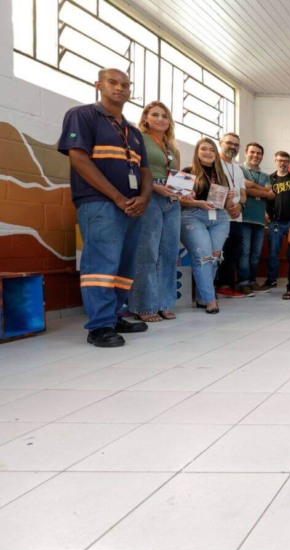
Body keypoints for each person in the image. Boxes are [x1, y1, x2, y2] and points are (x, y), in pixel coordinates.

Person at [58, 68, 151, 347]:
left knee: (124, 266)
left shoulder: (133, 131)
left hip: (133, 207)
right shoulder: (82, 115)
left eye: (125, 84)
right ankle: (99, 326)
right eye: (113, 82)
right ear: (98, 84)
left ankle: (113, 314)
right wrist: (118, 198)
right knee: (100, 266)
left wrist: (144, 198)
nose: (120, 88)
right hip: (100, 204)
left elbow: (144, 169)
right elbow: (79, 159)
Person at [130, 100, 181, 323]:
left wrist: (182, 192)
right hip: (150, 195)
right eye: (155, 115)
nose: (160, 119)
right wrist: (152, 186)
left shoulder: (171, 148)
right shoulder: (138, 139)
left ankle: (164, 303)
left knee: (169, 253)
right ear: (146, 118)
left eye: (165, 116)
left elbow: (176, 176)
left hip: (172, 200)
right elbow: (132, 167)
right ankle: (144, 305)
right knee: (147, 252)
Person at [179, 138, 236, 314]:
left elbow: (228, 207)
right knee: (203, 258)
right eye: (204, 149)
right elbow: (177, 200)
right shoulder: (187, 172)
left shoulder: (221, 175)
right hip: (194, 217)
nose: (208, 152)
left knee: (214, 259)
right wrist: (196, 202)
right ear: (197, 152)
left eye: (211, 149)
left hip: (219, 219)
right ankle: (211, 300)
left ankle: (202, 297)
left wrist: (229, 198)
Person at [263, 151, 290, 289]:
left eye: (286, 160)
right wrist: (264, 213)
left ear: (289, 162)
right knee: (274, 251)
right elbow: (263, 199)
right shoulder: (269, 180)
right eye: (280, 160)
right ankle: (272, 279)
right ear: (275, 161)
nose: (283, 163)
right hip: (275, 222)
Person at [214, 133, 249, 298]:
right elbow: (213, 187)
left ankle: (226, 285)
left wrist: (240, 206)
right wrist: (227, 206)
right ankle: (215, 286)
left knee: (234, 252)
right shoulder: (215, 164)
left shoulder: (238, 169)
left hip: (237, 216)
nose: (233, 147)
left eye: (236, 144)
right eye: (229, 143)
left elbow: (243, 193)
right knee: (217, 251)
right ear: (221, 143)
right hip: (220, 214)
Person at [240, 143, 275, 293]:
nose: (256, 155)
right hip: (244, 218)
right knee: (244, 252)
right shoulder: (239, 169)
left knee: (255, 254)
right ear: (246, 153)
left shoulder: (266, 176)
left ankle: (252, 281)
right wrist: (261, 191)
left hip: (259, 220)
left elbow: (271, 193)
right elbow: (243, 188)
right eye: (252, 152)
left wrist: (252, 188)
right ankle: (243, 283)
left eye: (259, 153)